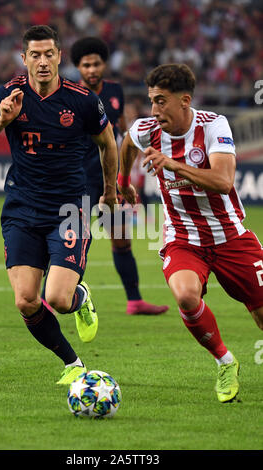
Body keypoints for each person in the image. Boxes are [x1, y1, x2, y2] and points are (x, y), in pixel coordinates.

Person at [0, 25, 118, 385]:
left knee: (59, 299)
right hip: (22, 208)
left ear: (60, 56)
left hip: (69, 210)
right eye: (35, 54)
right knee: (26, 300)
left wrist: (110, 190)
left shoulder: (81, 100)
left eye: (49, 53)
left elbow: (108, 143)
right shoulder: (9, 95)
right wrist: (3, 119)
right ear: (24, 58)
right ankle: (73, 363)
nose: (43, 61)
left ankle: (79, 298)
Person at [118, 63, 263, 403]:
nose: (154, 110)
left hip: (229, 235)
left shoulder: (213, 126)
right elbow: (126, 141)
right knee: (185, 295)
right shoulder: (148, 129)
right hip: (183, 237)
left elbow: (224, 181)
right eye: (152, 100)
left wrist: (174, 165)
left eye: (161, 101)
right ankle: (225, 361)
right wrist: (123, 183)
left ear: (184, 100)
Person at [69, 36, 169, 316]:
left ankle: (134, 301)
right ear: (78, 67)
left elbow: (123, 132)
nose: (91, 70)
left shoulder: (114, 91)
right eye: (86, 65)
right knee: (72, 241)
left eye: (96, 64)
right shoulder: (69, 96)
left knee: (121, 239)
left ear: (104, 65)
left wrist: (125, 176)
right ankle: (46, 300)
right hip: (77, 180)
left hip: (109, 180)